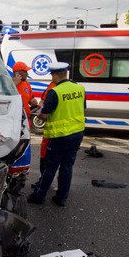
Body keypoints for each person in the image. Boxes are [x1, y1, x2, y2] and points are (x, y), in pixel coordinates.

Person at [27, 62, 86, 207]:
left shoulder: (55, 92)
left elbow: (45, 115)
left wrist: (38, 114)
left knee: (50, 167)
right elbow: (81, 108)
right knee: (67, 167)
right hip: (77, 133)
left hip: (60, 136)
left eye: (52, 75)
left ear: (55, 75)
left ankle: (39, 196)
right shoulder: (80, 88)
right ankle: (61, 198)